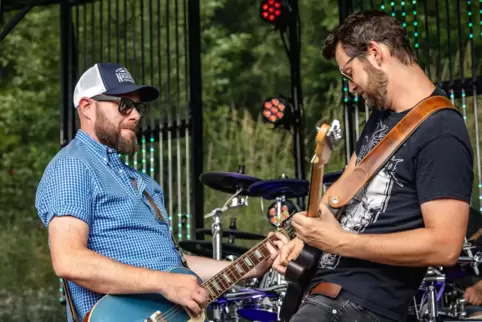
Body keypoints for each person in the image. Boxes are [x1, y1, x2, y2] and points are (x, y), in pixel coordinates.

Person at [35, 62, 288, 321]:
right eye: (124, 105)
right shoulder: (73, 165)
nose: (135, 115)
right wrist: (165, 283)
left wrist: (249, 266)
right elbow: (69, 260)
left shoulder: (145, 184)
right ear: (87, 107)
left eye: (138, 107)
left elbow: (176, 267)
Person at [271, 10, 474, 322]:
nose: (350, 86)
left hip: (359, 307)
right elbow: (342, 190)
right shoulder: (382, 119)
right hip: (318, 294)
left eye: (349, 73)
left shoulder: (442, 131)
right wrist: (304, 238)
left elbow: (445, 245)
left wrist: (341, 242)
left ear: (376, 53)